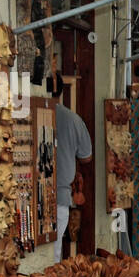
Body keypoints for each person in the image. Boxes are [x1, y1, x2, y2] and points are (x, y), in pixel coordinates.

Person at [54, 104, 93, 261]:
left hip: (53, 195)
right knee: (55, 254)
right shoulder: (73, 119)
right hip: (61, 198)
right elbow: (86, 156)